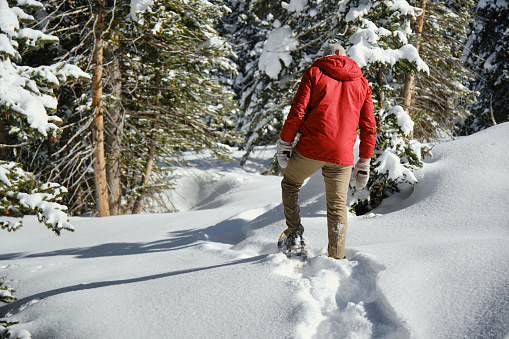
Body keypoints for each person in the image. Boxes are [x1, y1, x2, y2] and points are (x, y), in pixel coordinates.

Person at [276, 44, 377, 260]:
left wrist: (285, 144)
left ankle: (294, 236)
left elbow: (297, 111)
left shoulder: (315, 72)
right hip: (342, 155)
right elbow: (369, 127)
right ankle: (336, 257)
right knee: (337, 206)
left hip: (311, 147)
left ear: (325, 57)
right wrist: (364, 162)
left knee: (291, 183)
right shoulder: (361, 82)